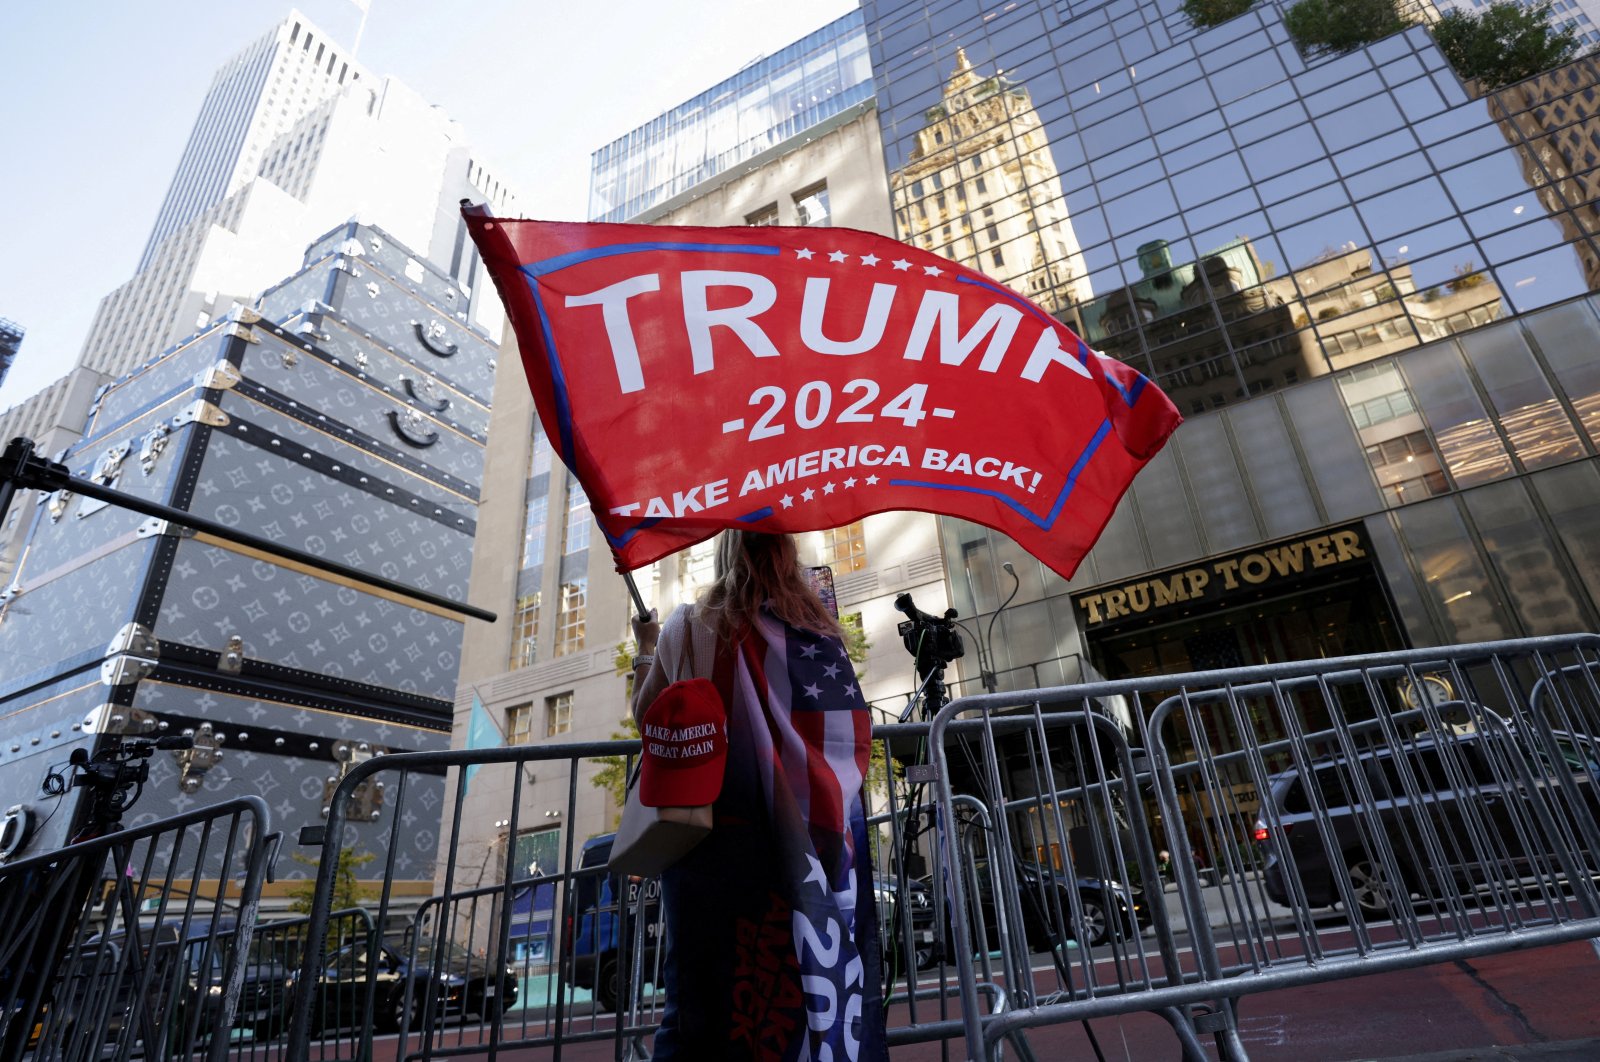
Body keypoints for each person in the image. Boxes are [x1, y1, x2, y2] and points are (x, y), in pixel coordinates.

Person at [630, 531, 888, 1061]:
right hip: (814, 846)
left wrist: (646, 647)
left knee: (699, 1003)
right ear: (788, 554)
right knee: (804, 995)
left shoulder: (688, 624)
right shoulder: (819, 630)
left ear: (727, 553)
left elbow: (646, 714)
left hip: (714, 842)